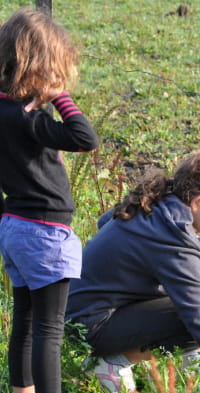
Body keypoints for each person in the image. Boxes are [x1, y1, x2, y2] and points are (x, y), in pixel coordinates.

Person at [66, 147, 200, 393]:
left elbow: (104, 221)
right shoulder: (172, 238)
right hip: (90, 324)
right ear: (199, 202)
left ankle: (192, 352)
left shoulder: (158, 202)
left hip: (89, 305)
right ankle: (112, 362)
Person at [0, 8, 99, 393]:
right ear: (39, 69)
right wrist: (60, 97)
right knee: (49, 328)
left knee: (24, 318)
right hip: (45, 232)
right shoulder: (27, 119)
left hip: (14, 227)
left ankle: (20, 389)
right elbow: (84, 138)